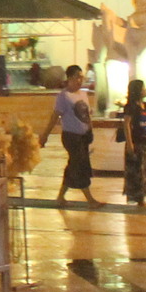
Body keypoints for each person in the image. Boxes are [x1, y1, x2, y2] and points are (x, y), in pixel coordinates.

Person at [41, 65, 101, 207]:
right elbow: (55, 117)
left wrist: (90, 129)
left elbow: (87, 114)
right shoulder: (64, 96)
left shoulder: (83, 94)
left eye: (81, 77)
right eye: (77, 77)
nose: (80, 80)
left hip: (83, 136)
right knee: (80, 165)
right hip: (71, 137)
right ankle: (90, 199)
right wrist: (45, 135)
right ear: (69, 78)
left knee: (73, 166)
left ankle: (61, 197)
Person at [120, 79, 146, 206]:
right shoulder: (131, 107)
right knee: (138, 171)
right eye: (143, 88)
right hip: (137, 142)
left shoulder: (145, 106)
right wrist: (130, 143)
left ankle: (143, 192)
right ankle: (139, 198)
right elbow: (126, 124)